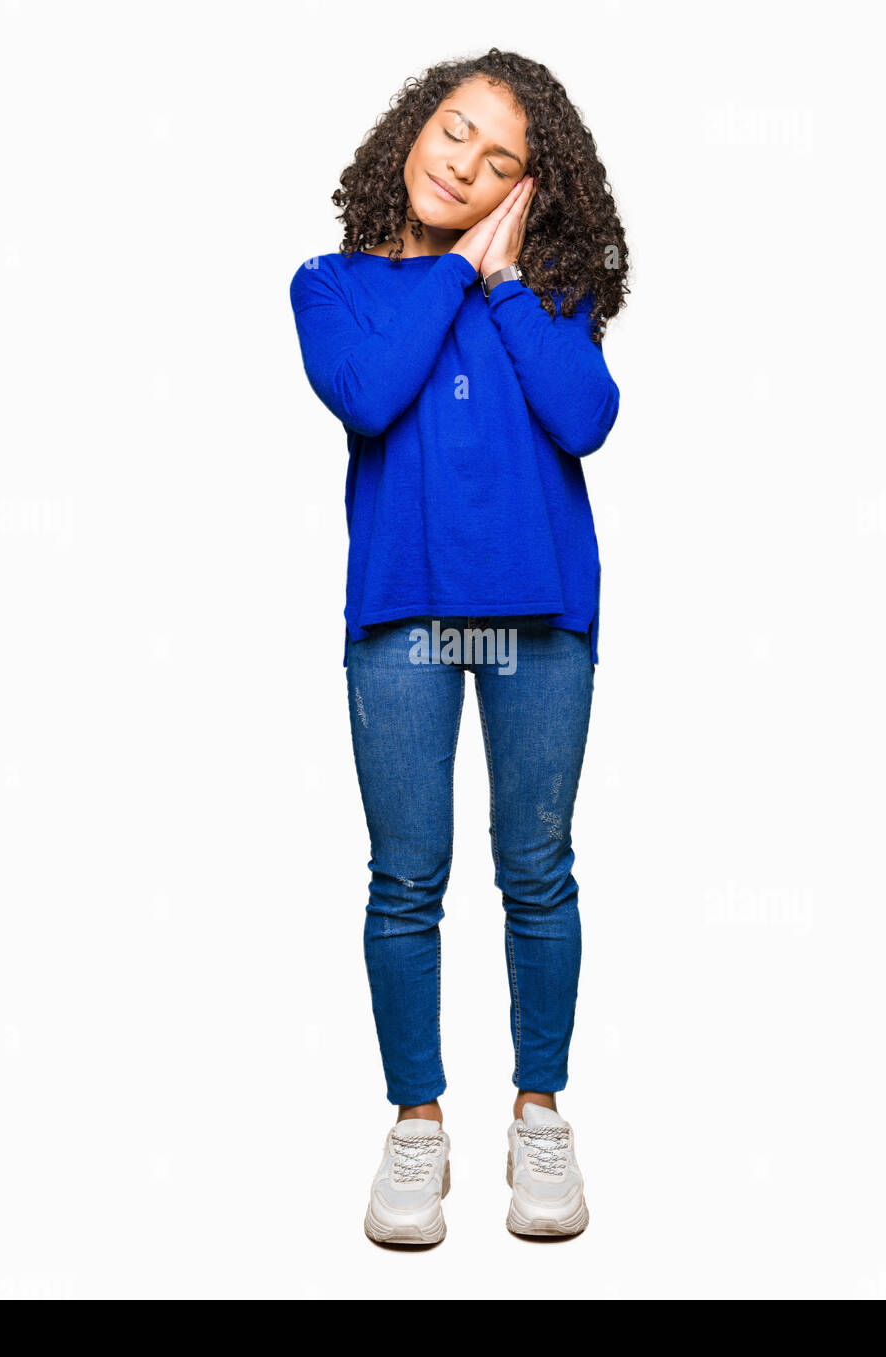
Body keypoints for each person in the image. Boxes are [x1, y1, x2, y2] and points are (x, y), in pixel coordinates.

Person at [289, 48, 628, 1244]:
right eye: (455, 131)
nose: (466, 164)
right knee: (406, 880)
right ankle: (417, 1124)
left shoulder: (545, 291)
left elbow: (586, 415)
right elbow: (371, 395)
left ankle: (540, 1115)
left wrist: (503, 284)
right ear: (412, 127)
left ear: (532, 188)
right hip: (401, 617)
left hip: (543, 619)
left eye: (502, 160)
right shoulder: (331, 285)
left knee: (537, 872)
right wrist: (454, 273)